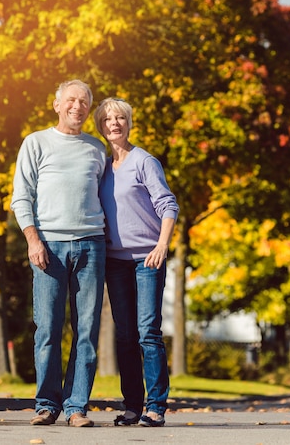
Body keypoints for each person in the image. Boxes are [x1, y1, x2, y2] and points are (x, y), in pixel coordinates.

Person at [11, 79, 106, 428]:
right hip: (49, 246)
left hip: (92, 246)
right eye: (71, 100)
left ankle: (76, 405)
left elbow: (106, 199)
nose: (77, 106)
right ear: (56, 104)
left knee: (87, 328)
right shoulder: (36, 143)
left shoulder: (97, 149)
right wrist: (33, 240)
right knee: (48, 328)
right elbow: (21, 197)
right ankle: (46, 404)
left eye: (84, 101)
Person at [94, 97, 179, 428]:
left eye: (120, 118)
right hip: (115, 262)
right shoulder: (102, 167)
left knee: (147, 332)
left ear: (129, 123)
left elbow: (168, 205)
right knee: (125, 334)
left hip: (147, 259)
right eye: (107, 119)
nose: (114, 123)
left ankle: (156, 406)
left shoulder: (145, 161)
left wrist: (162, 244)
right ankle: (132, 406)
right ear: (101, 127)